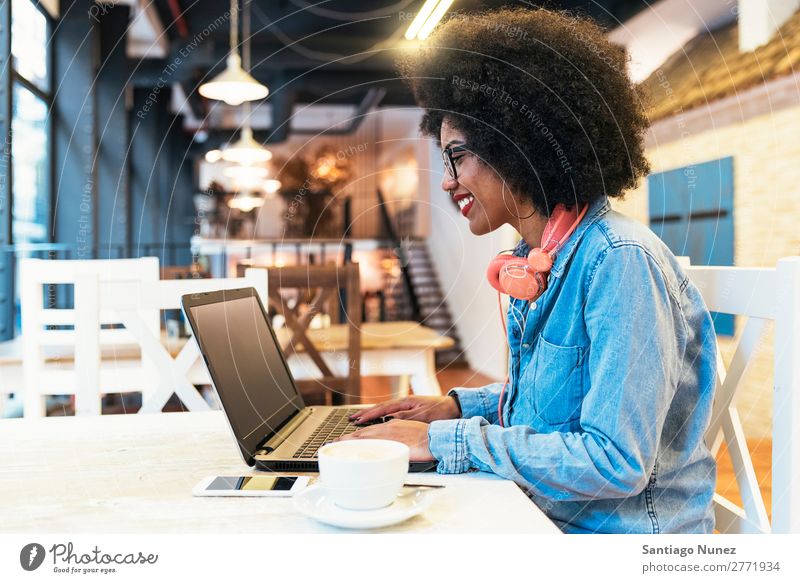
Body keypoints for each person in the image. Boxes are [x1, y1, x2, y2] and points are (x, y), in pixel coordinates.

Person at [338, 7, 717, 534]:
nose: (447, 182)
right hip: (548, 515)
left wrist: (440, 443)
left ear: (515, 146)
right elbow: (555, 406)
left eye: (457, 156)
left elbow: (615, 461)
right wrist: (452, 408)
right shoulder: (535, 260)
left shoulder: (620, 263)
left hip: (622, 542)